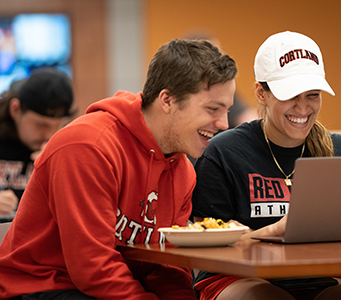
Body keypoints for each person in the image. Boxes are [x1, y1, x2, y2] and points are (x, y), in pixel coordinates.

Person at [0, 39, 237, 299]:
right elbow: (93, 267)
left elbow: (168, 267)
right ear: (167, 100)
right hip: (42, 286)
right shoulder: (88, 146)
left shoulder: (183, 171)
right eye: (212, 109)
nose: (224, 124)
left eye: (227, 110)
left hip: (106, 287)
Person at [191, 31, 341, 300]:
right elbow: (207, 250)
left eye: (312, 95)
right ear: (261, 93)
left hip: (317, 276)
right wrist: (277, 230)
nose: (303, 108)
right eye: (291, 95)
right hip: (235, 278)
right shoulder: (224, 152)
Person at [0, 67, 74, 222]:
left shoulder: (63, 146)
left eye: (57, 126)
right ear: (16, 109)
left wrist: (54, 169)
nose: (49, 135)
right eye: (41, 125)